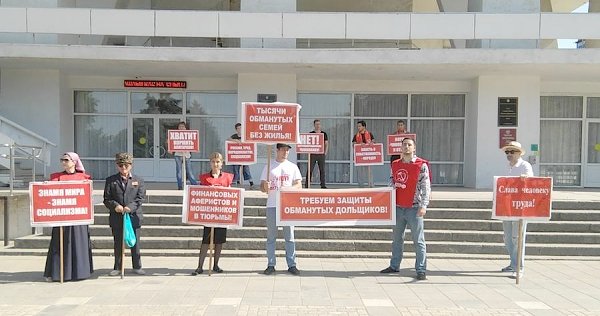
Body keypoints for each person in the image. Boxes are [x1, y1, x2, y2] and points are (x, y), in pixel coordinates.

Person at [381, 137, 430, 280]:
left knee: (418, 240)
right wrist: (391, 189)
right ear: (401, 148)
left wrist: (424, 206)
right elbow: (391, 181)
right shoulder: (395, 164)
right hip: (398, 207)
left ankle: (421, 269)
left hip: (414, 208)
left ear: (414, 148)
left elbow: (425, 187)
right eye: (404, 145)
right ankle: (394, 265)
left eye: (409, 145)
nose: (406, 147)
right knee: (397, 239)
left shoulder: (421, 165)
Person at [43, 152, 94, 282]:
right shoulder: (55, 177)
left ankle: (79, 272)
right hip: (61, 217)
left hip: (78, 217)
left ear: (74, 162)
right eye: (62, 160)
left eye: (66, 160)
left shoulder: (84, 178)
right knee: (59, 243)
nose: (63, 162)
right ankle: (57, 273)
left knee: (78, 242)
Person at [260, 143, 302, 276]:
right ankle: (271, 264)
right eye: (283, 150)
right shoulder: (269, 166)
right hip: (272, 204)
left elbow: (299, 185)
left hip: (287, 206)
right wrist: (265, 186)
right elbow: (262, 187)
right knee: (271, 236)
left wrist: (289, 189)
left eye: (287, 150)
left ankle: (292, 264)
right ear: (277, 150)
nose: (285, 152)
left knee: (289, 236)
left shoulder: (292, 166)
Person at [103, 152, 146, 276]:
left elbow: (140, 198)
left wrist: (130, 207)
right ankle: (118, 267)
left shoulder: (138, 180)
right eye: (121, 165)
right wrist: (115, 206)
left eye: (126, 165)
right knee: (118, 242)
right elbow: (107, 198)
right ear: (117, 166)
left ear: (131, 165)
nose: (124, 168)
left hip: (134, 216)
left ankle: (137, 266)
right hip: (117, 216)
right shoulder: (111, 180)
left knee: (135, 242)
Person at [192, 152, 234, 275]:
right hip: (208, 214)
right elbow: (199, 194)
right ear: (210, 163)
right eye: (213, 161)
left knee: (219, 241)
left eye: (218, 162)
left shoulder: (227, 177)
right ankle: (200, 266)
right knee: (206, 241)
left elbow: (231, 194)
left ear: (222, 163)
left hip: (222, 213)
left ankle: (215, 264)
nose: (215, 164)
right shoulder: (204, 178)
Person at [500, 141, 533, 278]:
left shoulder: (525, 166)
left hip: (520, 206)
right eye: (507, 152)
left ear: (519, 153)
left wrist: (525, 179)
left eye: (512, 152)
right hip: (507, 207)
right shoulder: (508, 167)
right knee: (508, 238)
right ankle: (513, 263)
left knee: (517, 237)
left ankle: (519, 267)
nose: (509, 154)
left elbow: (531, 183)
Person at [229, 123, 255, 189]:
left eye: (241, 128)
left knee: (246, 169)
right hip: (236, 156)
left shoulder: (245, 135)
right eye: (238, 128)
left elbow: (250, 141)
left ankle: (251, 182)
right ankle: (237, 182)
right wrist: (236, 140)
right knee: (236, 169)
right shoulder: (234, 136)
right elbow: (228, 139)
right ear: (236, 129)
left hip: (244, 156)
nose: (239, 129)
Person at [173, 121, 198, 190]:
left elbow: (193, 144)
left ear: (186, 128)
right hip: (178, 155)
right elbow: (171, 144)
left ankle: (195, 185)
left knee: (189, 171)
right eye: (180, 126)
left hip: (186, 155)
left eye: (183, 126)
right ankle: (180, 186)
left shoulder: (189, 135)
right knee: (179, 171)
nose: (181, 128)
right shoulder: (175, 135)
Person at [306, 119, 329, 189]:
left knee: (322, 170)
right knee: (310, 169)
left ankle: (323, 185)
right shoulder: (311, 134)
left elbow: (326, 144)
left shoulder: (324, 134)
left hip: (321, 154)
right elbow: (308, 144)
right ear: (314, 125)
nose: (318, 126)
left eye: (319, 124)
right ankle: (307, 184)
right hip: (313, 154)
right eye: (316, 124)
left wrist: (325, 152)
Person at [352, 120, 375, 187]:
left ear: (364, 126)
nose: (358, 128)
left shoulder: (369, 134)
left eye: (359, 126)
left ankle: (371, 185)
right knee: (360, 172)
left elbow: (373, 141)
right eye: (357, 126)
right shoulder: (356, 135)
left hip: (368, 156)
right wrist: (359, 144)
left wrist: (371, 143)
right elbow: (353, 144)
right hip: (360, 157)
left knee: (369, 171)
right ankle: (361, 186)